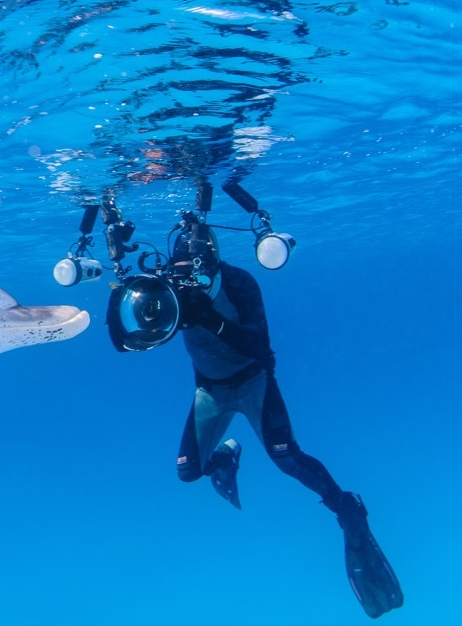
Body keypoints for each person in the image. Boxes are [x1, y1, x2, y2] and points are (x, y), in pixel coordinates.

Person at [166, 223, 403, 619]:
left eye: (197, 270)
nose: (190, 278)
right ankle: (225, 457)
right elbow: (129, 339)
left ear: (214, 261)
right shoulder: (168, 288)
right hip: (209, 390)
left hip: (253, 380)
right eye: (181, 271)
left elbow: (258, 345)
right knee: (188, 471)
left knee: (287, 458)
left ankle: (347, 510)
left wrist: (209, 317)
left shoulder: (239, 283)